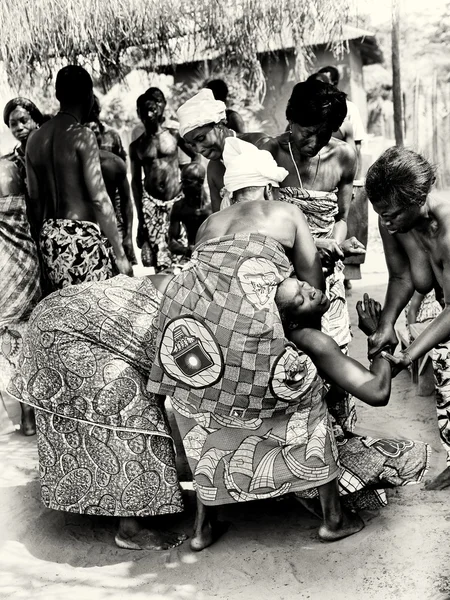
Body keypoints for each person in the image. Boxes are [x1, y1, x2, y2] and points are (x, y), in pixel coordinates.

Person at [148, 138, 362, 552]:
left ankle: (203, 528)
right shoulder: (287, 212)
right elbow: (310, 292)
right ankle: (333, 518)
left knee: (204, 414)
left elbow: (214, 288)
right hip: (253, 336)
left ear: (231, 191)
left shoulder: (209, 223)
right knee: (306, 401)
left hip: (195, 341)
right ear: (269, 188)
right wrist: (307, 345)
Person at [8, 273, 186, 550]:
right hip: (63, 334)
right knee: (134, 413)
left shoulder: (180, 283)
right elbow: (176, 385)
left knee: (144, 406)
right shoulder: (184, 321)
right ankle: (130, 529)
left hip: (58, 315)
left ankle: (130, 500)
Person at [260, 79, 364, 435]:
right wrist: (312, 245)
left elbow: (341, 218)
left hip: (325, 283)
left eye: (322, 134)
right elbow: (258, 225)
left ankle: (338, 445)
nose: (313, 142)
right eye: (306, 131)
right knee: (285, 367)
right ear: (290, 119)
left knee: (334, 361)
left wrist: (337, 244)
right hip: (283, 285)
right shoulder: (268, 155)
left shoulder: (344, 157)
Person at [365, 146, 450, 491]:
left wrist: (409, 353)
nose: (385, 222)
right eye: (380, 214)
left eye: (393, 214)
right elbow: (401, 277)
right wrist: (386, 323)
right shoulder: (395, 220)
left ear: (420, 198)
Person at [25, 65, 132, 290]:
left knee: (69, 314)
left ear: (57, 95)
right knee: (98, 308)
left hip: (49, 237)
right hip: (79, 237)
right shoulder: (82, 135)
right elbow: (99, 199)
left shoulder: (34, 139)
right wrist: (120, 254)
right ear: (89, 96)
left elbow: (34, 202)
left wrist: (42, 248)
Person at [0, 98, 47, 435]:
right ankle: (32, 414)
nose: (17, 128)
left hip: (32, 254)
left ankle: (32, 415)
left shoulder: (40, 156)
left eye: (22, 120)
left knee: (24, 335)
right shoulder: (13, 165)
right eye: (12, 124)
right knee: (26, 334)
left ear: (35, 119)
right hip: (25, 257)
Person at [129, 87, 199, 271]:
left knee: (184, 255)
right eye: (144, 110)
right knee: (160, 259)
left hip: (177, 200)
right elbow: (135, 182)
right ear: (138, 113)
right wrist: (141, 220)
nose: (149, 114)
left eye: (152, 109)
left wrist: (192, 185)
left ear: (160, 110)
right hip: (151, 206)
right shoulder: (136, 146)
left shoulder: (174, 136)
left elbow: (196, 156)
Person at [177, 88, 267, 212]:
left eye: (201, 138)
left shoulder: (259, 144)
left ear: (219, 123)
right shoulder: (214, 169)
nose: (198, 149)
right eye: (192, 145)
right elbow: (218, 218)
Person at [317, 66, 366, 178]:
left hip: (341, 171)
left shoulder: (350, 108)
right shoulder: (314, 110)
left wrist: (356, 179)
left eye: (325, 82)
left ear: (334, 83)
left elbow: (356, 146)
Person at [168, 162, 211, 261]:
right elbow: (172, 242)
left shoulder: (213, 206)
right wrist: (186, 250)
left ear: (200, 182)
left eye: (187, 182)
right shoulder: (179, 207)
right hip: (191, 256)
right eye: (182, 181)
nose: (182, 186)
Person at [88, 95, 127, 161]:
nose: (93, 112)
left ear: (99, 110)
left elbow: (122, 162)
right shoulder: (78, 136)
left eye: (95, 109)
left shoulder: (112, 134)